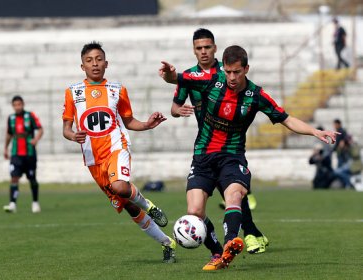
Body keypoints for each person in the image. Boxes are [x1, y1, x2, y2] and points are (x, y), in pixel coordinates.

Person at [160, 45, 338, 270]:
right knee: (195, 212)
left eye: (237, 72)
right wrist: (168, 75)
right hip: (203, 157)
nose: (232, 77)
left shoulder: (256, 95)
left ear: (246, 69)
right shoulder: (210, 81)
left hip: (232, 158)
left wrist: (315, 131)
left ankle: (228, 246)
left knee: (234, 196)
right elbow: (176, 78)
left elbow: (287, 119)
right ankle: (216, 252)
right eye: (228, 71)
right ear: (223, 69)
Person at [62, 41, 176, 263]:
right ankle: (167, 243)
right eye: (89, 60)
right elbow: (66, 129)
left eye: (98, 59)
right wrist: (73, 135)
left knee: (120, 187)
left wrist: (146, 124)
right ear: (82, 66)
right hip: (94, 160)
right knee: (128, 206)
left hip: (117, 147)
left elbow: (128, 120)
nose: (94, 64)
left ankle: (150, 206)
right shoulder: (72, 93)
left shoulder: (117, 90)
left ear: (106, 63)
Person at [168, 28, 268, 267]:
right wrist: (178, 111)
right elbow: (174, 105)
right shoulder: (190, 76)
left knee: (235, 194)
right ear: (194, 50)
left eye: (207, 47)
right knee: (200, 207)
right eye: (198, 48)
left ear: (215, 48)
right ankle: (237, 241)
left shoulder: (225, 73)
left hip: (230, 146)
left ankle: (247, 236)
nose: (203, 52)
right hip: (205, 145)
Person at [3, 95, 43, 213]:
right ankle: (12, 204)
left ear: (23, 104)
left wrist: (36, 139)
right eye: (15, 105)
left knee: (32, 179)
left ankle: (35, 202)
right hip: (16, 154)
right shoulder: (11, 118)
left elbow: (40, 129)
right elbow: (9, 134)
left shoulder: (30, 116)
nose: (17, 107)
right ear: (12, 106)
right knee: (14, 178)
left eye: (19, 104)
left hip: (29, 153)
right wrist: (5, 148)